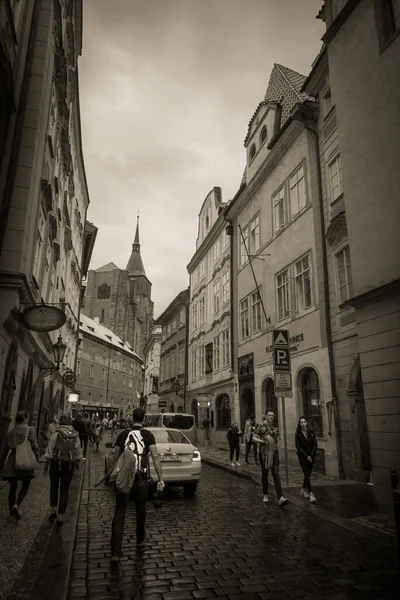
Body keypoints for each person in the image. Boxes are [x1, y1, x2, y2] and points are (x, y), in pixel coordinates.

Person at [110, 407, 165, 564]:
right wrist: (161, 478)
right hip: (141, 478)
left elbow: (115, 458)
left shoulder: (123, 434)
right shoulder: (148, 435)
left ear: (132, 419)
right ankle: (140, 540)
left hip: (124, 478)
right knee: (140, 509)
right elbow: (155, 457)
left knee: (120, 512)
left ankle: (115, 552)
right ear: (144, 419)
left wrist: (115, 477)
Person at [43, 414, 82, 524]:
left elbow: (49, 453)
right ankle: (60, 516)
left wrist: (46, 467)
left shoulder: (56, 434)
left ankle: (53, 511)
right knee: (65, 490)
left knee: (54, 488)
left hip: (56, 463)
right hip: (69, 465)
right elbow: (78, 453)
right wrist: (77, 462)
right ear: (70, 423)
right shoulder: (75, 435)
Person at [2, 410, 40, 520]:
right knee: (25, 486)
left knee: (12, 488)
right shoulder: (31, 430)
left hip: (13, 462)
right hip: (25, 461)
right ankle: (17, 505)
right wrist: (35, 459)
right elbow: (35, 447)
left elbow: (4, 451)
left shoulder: (10, 432)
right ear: (25, 419)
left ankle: (11, 513)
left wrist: (1, 466)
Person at [253, 411, 288, 507]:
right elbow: (253, 438)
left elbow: (278, 441)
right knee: (265, 473)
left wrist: (279, 454)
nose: (271, 417)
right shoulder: (260, 426)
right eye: (269, 415)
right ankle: (265, 494)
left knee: (276, 473)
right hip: (264, 453)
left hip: (274, 453)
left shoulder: (275, 427)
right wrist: (263, 442)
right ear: (266, 416)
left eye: (273, 415)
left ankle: (280, 497)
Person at [295, 416, 318, 503]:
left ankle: (303, 489)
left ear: (306, 423)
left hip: (311, 456)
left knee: (307, 475)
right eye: (301, 422)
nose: (303, 424)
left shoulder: (311, 432)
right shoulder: (298, 434)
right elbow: (298, 447)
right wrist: (306, 456)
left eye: (304, 422)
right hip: (302, 457)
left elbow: (315, 445)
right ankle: (311, 494)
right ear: (299, 424)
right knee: (307, 474)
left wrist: (311, 455)